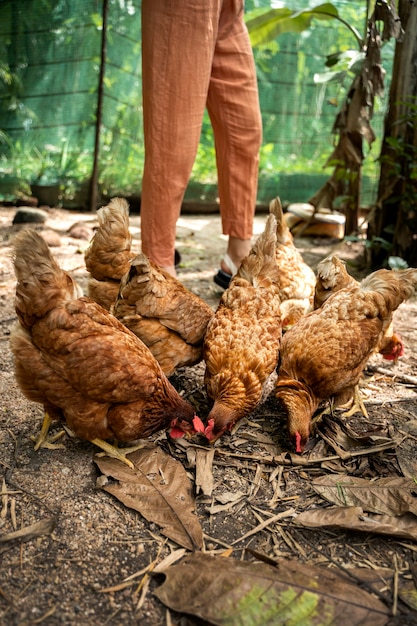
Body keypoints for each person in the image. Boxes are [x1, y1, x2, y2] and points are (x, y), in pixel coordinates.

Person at [140, 0, 262, 286]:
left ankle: (238, 255)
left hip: (229, 7)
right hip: (182, 6)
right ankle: (157, 266)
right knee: (172, 138)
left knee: (244, 129)